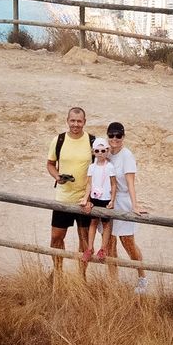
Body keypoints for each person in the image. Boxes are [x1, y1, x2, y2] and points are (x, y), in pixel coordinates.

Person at [43, 105, 97, 276]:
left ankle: (81, 277)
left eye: (79, 121)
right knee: (56, 238)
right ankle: (58, 272)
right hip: (63, 198)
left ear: (84, 122)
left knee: (85, 242)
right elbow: (50, 164)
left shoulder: (93, 142)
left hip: (85, 200)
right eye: (72, 120)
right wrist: (57, 177)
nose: (75, 124)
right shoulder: (58, 140)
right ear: (67, 121)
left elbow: (101, 168)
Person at [105, 120, 149, 291]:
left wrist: (135, 205)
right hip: (108, 201)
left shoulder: (127, 155)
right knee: (109, 243)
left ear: (123, 137)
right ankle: (113, 282)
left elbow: (131, 183)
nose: (114, 138)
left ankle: (142, 278)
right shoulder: (106, 152)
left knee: (127, 241)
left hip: (123, 201)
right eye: (111, 135)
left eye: (118, 135)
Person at [83, 137, 119, 264]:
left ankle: (103, 248)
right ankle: (89, 248)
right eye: (97, 151)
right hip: (95, 197)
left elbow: (114, 184)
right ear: (93, 152)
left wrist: (112, 200)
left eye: (103, 151)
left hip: (106, 199)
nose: (100, 153)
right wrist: (86, 199)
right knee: (93, 222)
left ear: (107, 151)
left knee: (106, 224)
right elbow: (88, 184)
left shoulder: (110, 167)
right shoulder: (91, 167)